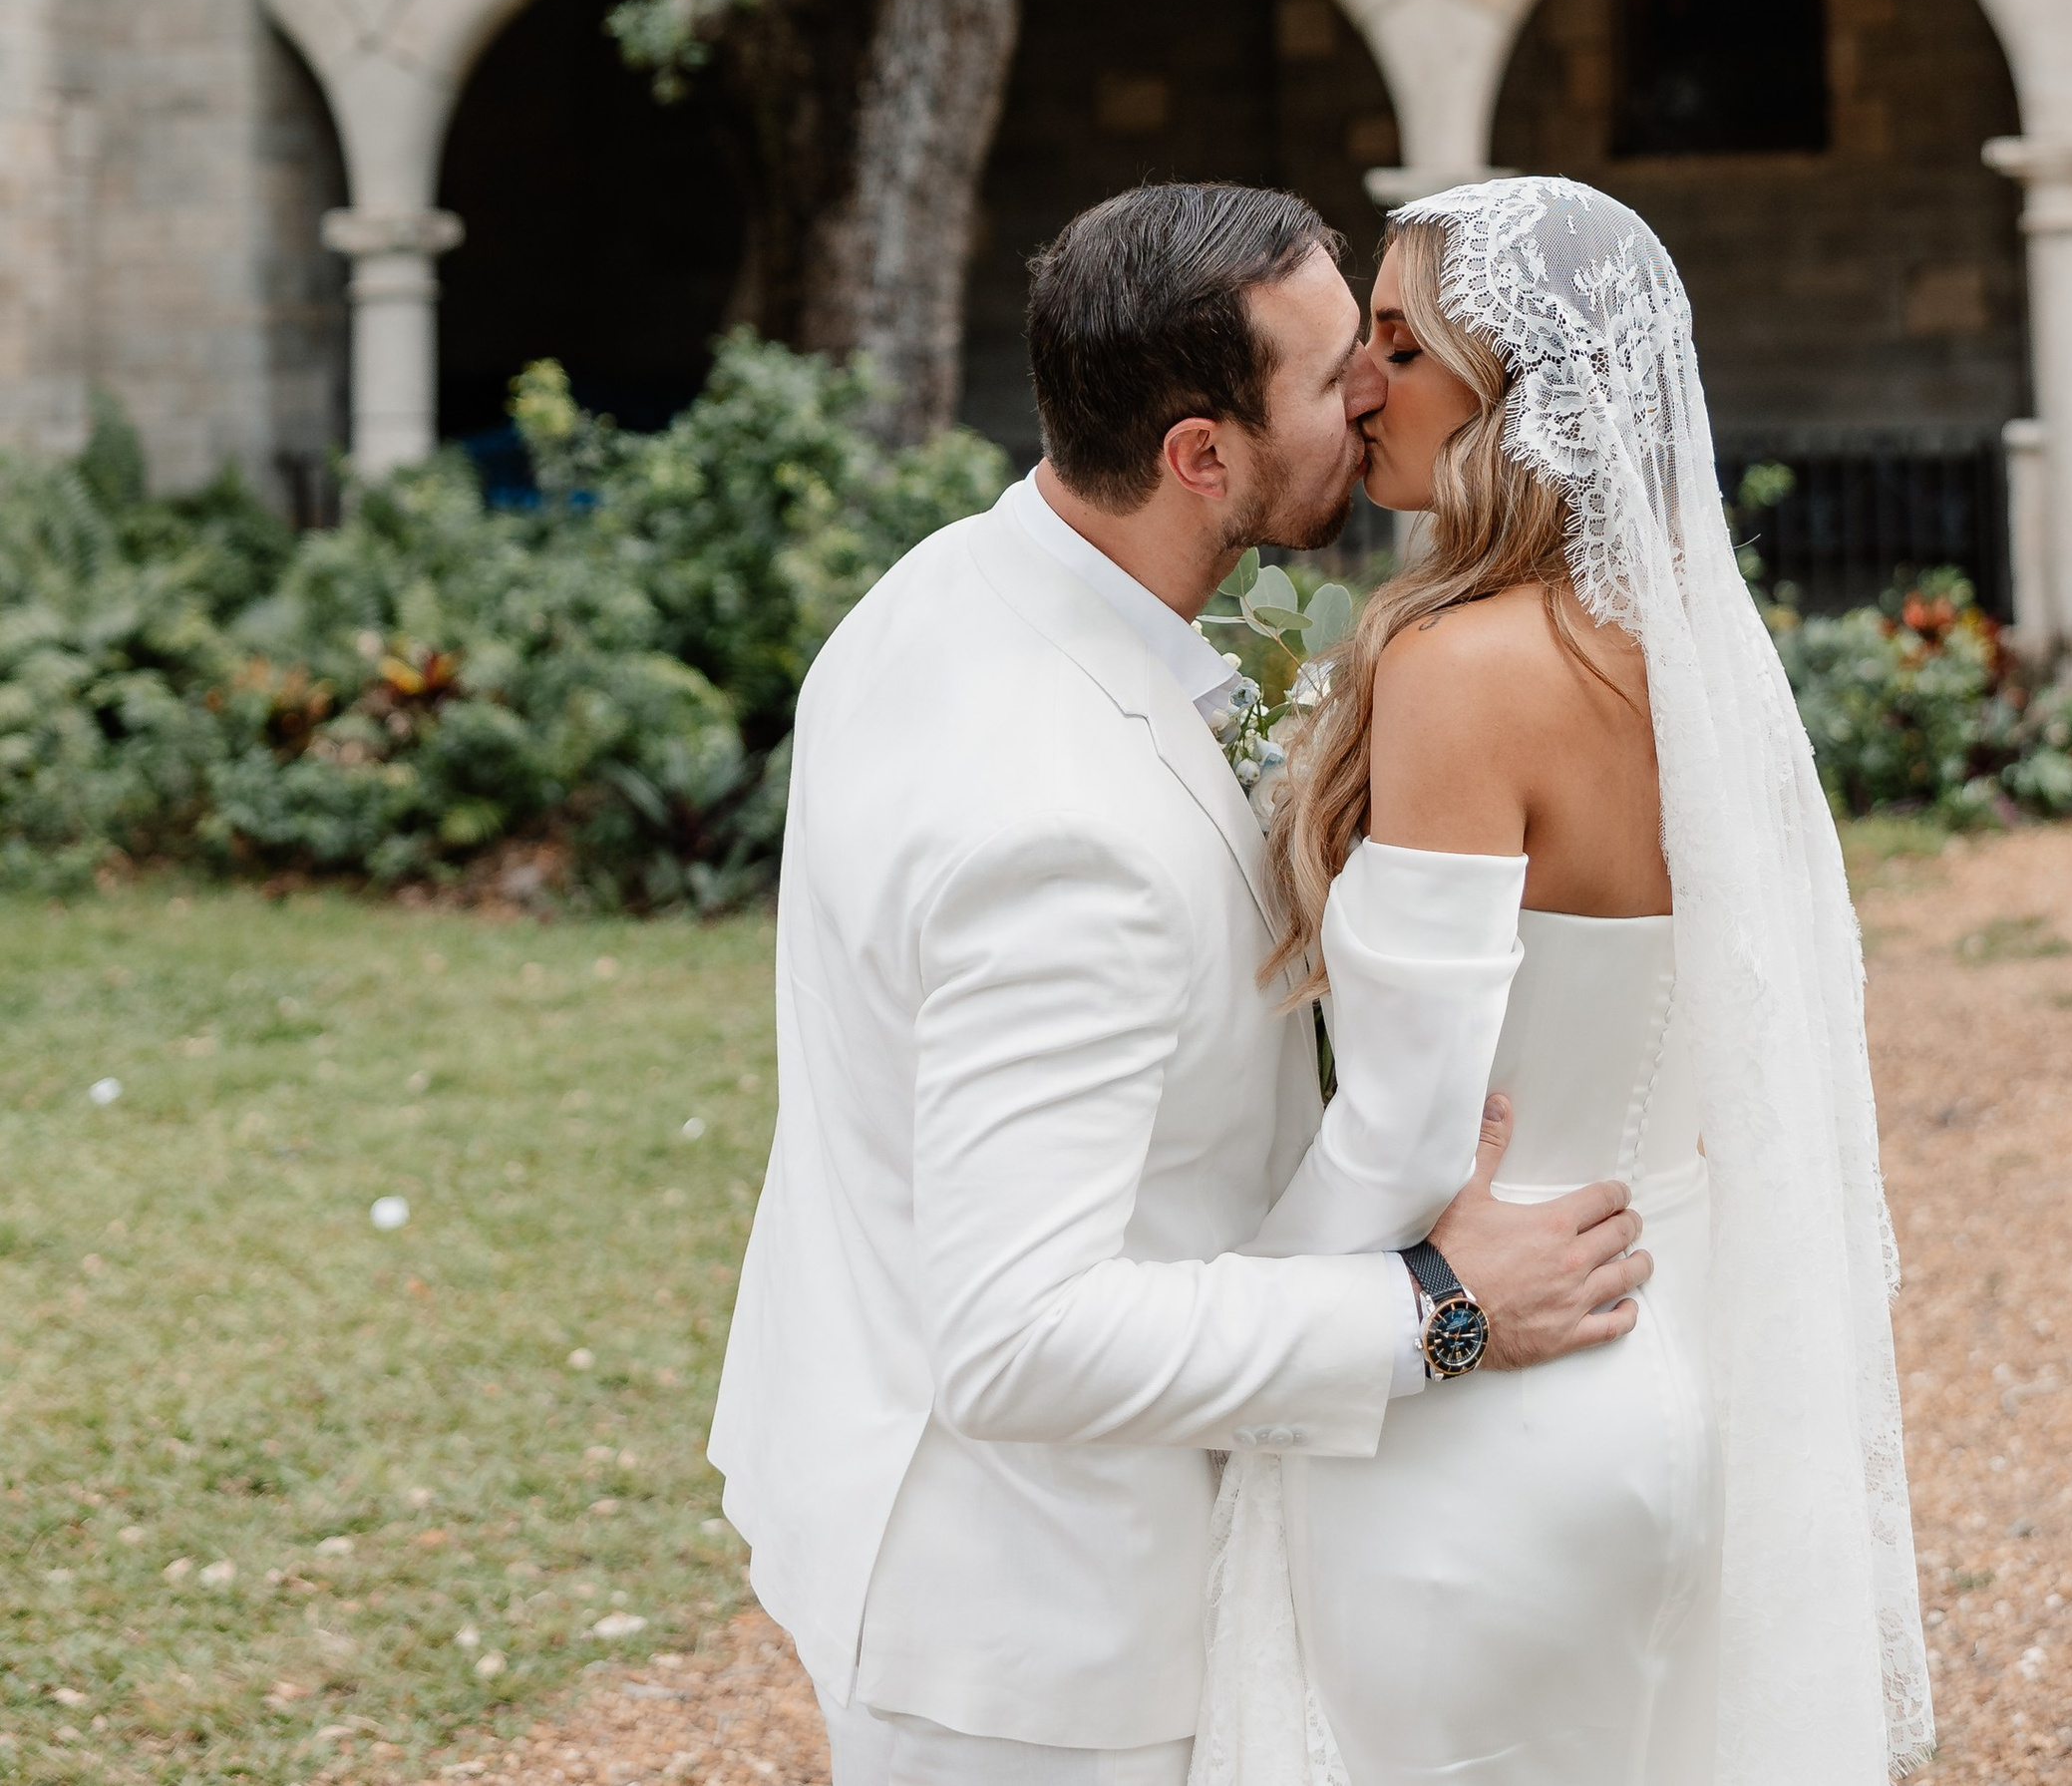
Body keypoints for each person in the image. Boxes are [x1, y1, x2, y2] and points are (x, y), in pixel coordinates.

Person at [711, 180, 1648, 1786]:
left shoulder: (944, 586)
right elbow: (1017, 1336)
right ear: (1199, 455)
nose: (1377, 389)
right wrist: (1436, 1308)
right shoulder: (1056, 821)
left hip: (901, 1493)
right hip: (1041, 1636)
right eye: (1338, 365)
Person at [1196, 176, 1931, 1786]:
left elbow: (1409, 1128)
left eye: (1400, 341)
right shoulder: (1689, 667)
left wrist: (1238, 1332)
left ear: (1513, 391)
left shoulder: (1459, 665)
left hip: (1472, 1414)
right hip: (1669, 1381)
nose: (1360, 383)